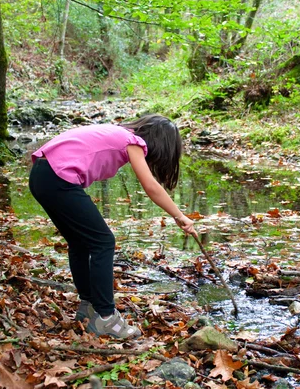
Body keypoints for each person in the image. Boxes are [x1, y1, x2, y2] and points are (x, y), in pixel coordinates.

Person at [28, 114, 196, 340]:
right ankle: (106, 317)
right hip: (58, 178)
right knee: (103, 241)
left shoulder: (115, 132)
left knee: (79, 242)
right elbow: (151, 186)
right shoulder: (133, 142)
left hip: (41, 174)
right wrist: (179, 216)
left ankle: (88, 307)